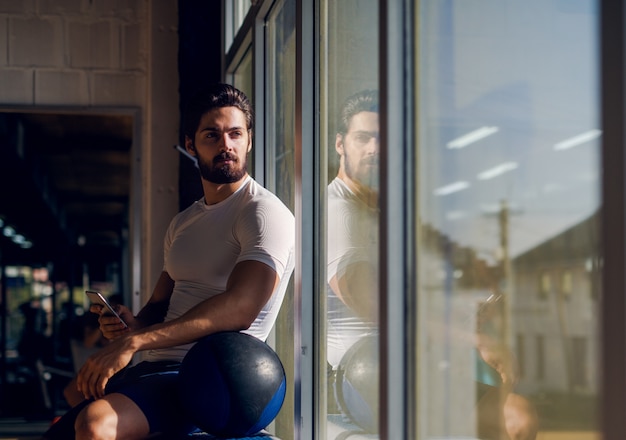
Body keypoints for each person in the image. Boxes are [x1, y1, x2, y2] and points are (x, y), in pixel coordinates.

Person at [43, 83, 295, 440]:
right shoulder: (184, 222)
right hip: (156, 369)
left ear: (249, 140)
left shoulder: (262, 212)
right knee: (69, 402)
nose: (226, 145)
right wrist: (132, 325)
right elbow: (160, 305)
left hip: (209, 377)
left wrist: (134, 343)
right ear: (191, 145)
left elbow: (241, 308)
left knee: (96, 425)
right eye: (212, 135)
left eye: (235, 134)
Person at [326, 89, 538, 439]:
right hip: (361, 379)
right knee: (515, 420)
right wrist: (471, 337)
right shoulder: (339, 211)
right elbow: (371, 302)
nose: (374, 149)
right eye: (363, 137)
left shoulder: (379, 215)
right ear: (340, 144)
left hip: (401, 365)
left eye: (383, 139)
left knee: (517, 418)